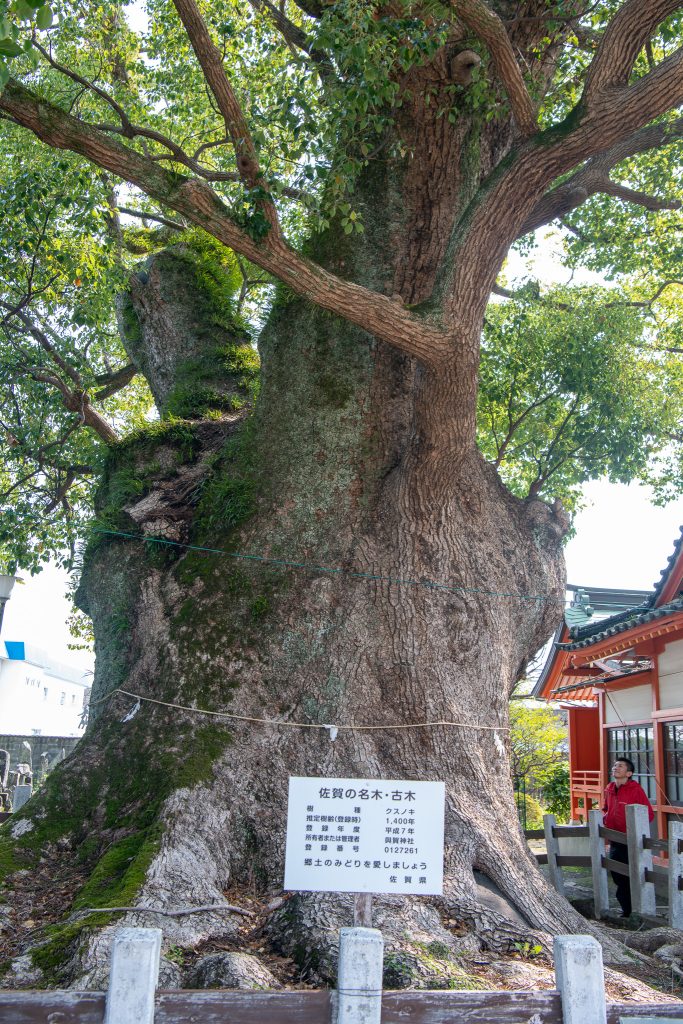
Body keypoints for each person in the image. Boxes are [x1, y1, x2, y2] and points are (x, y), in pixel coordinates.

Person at [602, 757, 654, 917]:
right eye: (615, 765)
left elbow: (649, 814)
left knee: (632, 874)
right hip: (614, 838)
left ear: (629, 773)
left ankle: (632, 911)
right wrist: (605, 820)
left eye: (621, 766)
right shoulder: (609, 788)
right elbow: (605, 809)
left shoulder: (635, 790)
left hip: (631, 839)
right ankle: (626, 909)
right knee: (617, 874)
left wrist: (634, 829)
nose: (616, 768)